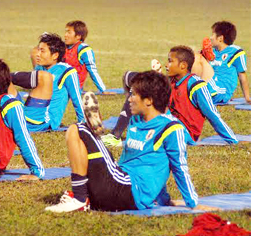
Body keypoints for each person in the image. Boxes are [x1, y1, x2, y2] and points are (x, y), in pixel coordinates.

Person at [44, 72, 216, 213]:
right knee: (82, 136)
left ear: (149, 100)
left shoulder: (171, 128)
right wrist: (165, 201)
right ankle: (84, 194)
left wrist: (192, 203)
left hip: (129, 189)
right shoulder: (136, 121)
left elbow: (179, 166)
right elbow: (135, 162)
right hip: (118, 182)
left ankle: (80, 198)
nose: (129, 99)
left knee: (77, 129)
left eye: (134, 95)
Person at [102, 46, 237, 146]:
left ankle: (119, 137)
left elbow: (212, 114)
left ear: (183, 65)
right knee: (138, 92)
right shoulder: (171, 81)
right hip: (169, 123)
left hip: (182, 132)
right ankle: (118, 136)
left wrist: (233, 140)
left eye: (170, 61)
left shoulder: (196, 85)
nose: (167, 65)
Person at [9, 33, 85, 132]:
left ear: (55, 55)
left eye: (42, 51)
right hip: (29, 111)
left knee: (4, 78)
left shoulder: (67, 71)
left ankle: (6, 75)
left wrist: (83, 124)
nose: (38, 54)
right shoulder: (40, 67)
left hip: (44, 120)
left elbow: (77, 99)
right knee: (4, 83)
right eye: (39, 50)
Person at [206, 21, 249, 104]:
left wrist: (247, 97)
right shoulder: (212, 52)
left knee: (199, 61)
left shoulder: (235, 52)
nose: (210, 38)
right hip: (210, 85)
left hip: (221, 91)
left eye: (213, 34)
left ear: (220, 38)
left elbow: (242, 75)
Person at [62, 21, 107, 93]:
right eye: (66, 32)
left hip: (72, 88)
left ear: (78, 36)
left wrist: (103, 90)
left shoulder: (84, 49)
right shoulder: (62, 46)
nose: (65, 35)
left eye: (69, 32)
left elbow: (92, 70)